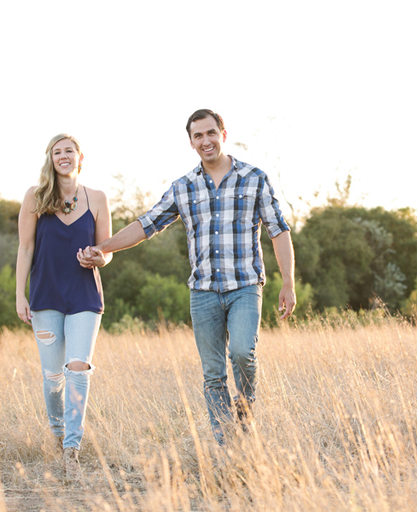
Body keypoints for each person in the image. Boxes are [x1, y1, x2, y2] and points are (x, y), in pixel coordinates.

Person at [77, 109, 295, 445]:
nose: (206, 141)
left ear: (223, 134)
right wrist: (103, 247)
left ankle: (246, 411)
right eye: (198, 136)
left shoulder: (254, 178)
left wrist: (288, 282)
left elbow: (278, 230)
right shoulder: (184, 187)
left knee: (242, 353)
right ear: (191, 142)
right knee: (213, 374)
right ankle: (226, 444)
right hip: (203, 292)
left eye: (211, 133)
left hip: (245, 286)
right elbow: (147, 224)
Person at [16, 134, 112, 481]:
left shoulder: (97, 198)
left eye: (69, 150)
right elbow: (25, 248)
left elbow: (107, 251)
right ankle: (57, 431)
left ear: (80, 157)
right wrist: (20, 295)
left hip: (84, 295)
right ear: (51, 159)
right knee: (53, 375)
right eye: (57, 152)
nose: (63, 156)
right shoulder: (35, 196)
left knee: (78, 367)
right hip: (45, 295)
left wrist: (97, 257)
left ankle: (72, 448)